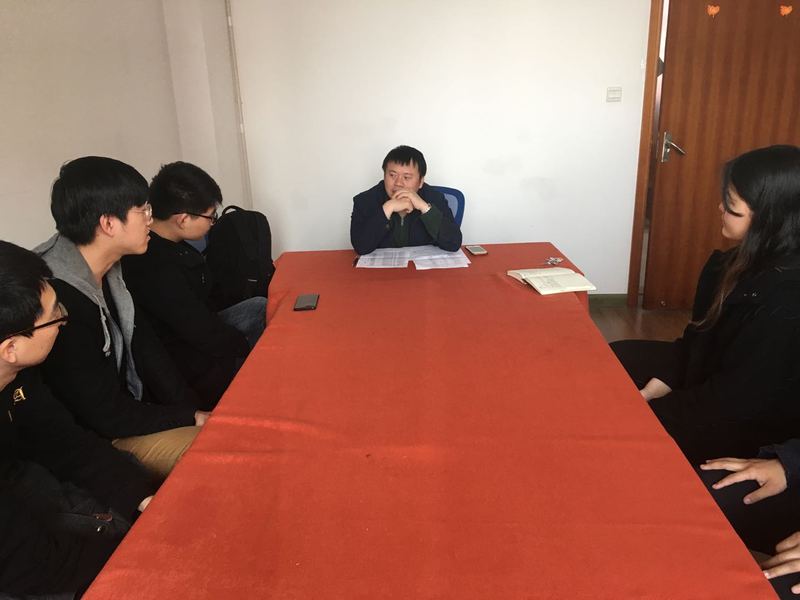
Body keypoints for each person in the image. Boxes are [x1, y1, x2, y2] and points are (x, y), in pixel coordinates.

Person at [611, 145, 800, 464]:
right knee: (613, 359)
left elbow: (735, 399)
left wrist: (650, 413)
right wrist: (665, 379)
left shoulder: (787, 299)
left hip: (745, 415)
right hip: (715, 374)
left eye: (732, 207)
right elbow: (697, 339)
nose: (720, 208)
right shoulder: (731, 263)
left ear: (772, 220)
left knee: (622, 432)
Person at [36, 156, 210, 481]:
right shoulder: (56, 300)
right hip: (96, 440)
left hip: (129, 411)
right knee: (218, 452)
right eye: (143, 211)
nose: (151, 220)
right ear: (108, 224)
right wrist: (188, 417)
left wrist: (194, 411)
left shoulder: (110, 267)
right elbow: (104, 415)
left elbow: (148, 350)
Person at [0, 240, 155, 597]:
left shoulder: (19, 377)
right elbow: (29, 565)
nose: (64, 319)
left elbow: (67, 444)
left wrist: (143, 499)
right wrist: (136, 553)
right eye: (55, 315)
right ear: (11, 347)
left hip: (31, 494)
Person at [122, 162, 266, 409]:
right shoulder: (154, 266)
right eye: (211, 216)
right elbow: (200, 332)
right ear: (183, 219)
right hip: (187, 356)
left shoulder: (173, 244)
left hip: (199, 328)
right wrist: (245, 347)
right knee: (259, 338)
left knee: (259, 308)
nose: (213, 223)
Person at [350, 145, 462, 255]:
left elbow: (454, 243)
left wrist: (424, 207)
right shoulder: (365, 201)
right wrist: (388, 208)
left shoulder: (435, 198)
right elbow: (361, 247)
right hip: (383, 267)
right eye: (392, 175)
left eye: (406, 177)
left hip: (421, 267)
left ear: (421, 181)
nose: (398, 183)